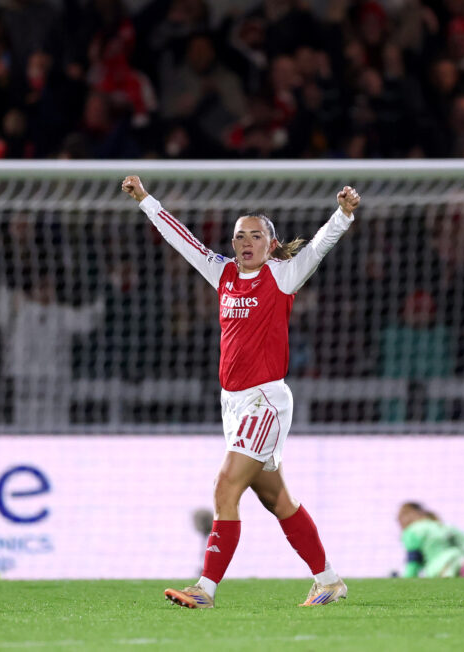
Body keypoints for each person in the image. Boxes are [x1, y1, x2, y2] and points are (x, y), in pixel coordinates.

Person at [122, 174, 356, 608]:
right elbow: (185, 241)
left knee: (225, 486)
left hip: (265, 401)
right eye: (238, 236)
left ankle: (205, 589)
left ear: (271, 243)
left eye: (255, 235)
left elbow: (320, 246)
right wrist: (147, 202)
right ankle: (329, 581)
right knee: (278, 500)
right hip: (232, 405)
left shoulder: (282, 276)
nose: (245, 242)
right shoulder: (224, 273)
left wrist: (342, 215)